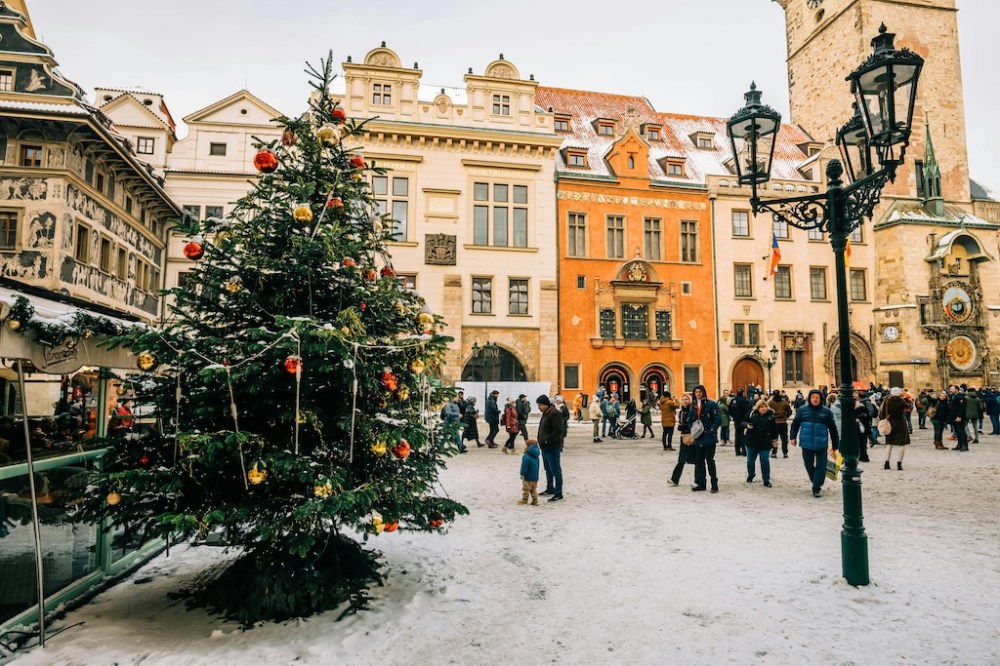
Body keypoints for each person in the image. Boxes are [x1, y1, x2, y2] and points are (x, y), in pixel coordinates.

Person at [789, 389, 839, 498]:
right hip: (806, 443)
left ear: (821, 399)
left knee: (822, 466)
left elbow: (833, 429)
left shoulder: (826, 411)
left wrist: (835, 445)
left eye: (817, 397)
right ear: (809, 398)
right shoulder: (802, 410)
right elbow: (795, 424)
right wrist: (792, 437)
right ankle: (816, 481)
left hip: (821, 443)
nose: (815, 399)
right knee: (808, 465)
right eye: (813, 397)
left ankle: (816, 487)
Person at [688, 385, 722, 493]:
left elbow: (718, 419)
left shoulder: (711, 404)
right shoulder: (692, 406)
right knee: (699, 462)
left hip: (709, 437)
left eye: (700, 391)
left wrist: (712, 430)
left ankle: (714, 484)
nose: (698, 393)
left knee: (710, 460)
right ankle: (701, 484)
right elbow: (690, 420)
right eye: (696, 392)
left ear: (704, 392)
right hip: (698, 437)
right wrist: (692, 430)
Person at [536, 395, 564, 502]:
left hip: (552, 446)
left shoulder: (554, 413)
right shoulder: (547, 413)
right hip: (545, 447)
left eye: (540, 405)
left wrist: (547, 439)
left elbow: (558, 430)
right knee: (548, 469)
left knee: (555, 470)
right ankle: (550, 488)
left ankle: (558, 492)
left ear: (545, 404)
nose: (539, 407)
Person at [744, 399, 777, 486]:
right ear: (758, 408)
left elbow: (774, 430)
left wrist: (774, 440)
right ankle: (751, 474)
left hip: (765, 442)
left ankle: (766, 480)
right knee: (750, 461)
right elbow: (743, 421)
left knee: (765, 461)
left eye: (765, 407)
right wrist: (747, 425)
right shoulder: (752, 414)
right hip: (751, 441)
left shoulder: (771, 416)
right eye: (761, 407)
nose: (764, 409)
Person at [879, 387, 910, 470]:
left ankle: (887, 462)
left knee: (889, 444)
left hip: (890, 424)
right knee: (901, 445)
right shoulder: (901, 401)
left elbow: (882, 414)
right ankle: (899, 464)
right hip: (900, 423)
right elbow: (909, 407)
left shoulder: (887, 401)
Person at [668, 393, 693, 486]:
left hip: (693, 436)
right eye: (683, 399)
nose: (685, 401)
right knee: (681, 459)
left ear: (690, 400)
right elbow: (681, 424)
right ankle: (674, 479)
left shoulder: (692, 410)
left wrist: (685, 426)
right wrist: (681, 427)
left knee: (697, 460)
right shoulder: (681, 412)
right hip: (684, 437)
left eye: (687, 399)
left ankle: (699, 480)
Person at [768, 390, 792, 458]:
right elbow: (789, 412)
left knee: (774, 438)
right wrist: (786, 416)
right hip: (783, 422)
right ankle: (785, 453)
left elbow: (768, 411)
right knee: (784, 439)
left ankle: (774, 452)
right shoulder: (785, 403)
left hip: (774, 423)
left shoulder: (770, 403)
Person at [518, 439, 540, 505]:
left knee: (526, 488)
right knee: (533, 488)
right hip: (535, 476)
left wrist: (522, 474)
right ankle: (535, 499)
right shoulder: (536, 456)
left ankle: (524, 499)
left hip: (527, 476)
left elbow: (524, 466)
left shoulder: (526, 456)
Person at [729, 389, 750, 457]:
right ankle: (744, 451)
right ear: (743, 393)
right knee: (742, 435)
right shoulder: (743, 401)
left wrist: (734, 417)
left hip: (736, 420)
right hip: (742, 420)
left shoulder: (733, 401)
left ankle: (737, 451)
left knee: (737, 435)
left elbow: (730, 410)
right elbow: (746, 411)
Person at [947, 385, 969, 451]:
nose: (950, 390)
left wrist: (959, 416)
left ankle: (965, 445)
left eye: (952, 389)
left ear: (956, 389)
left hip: (959, 417)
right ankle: (960, 444)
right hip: (954, 417)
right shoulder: (954, 396)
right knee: (957, 432)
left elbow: (962, 408)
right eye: (950, 389)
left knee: (961, 431)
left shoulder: (960, 397)